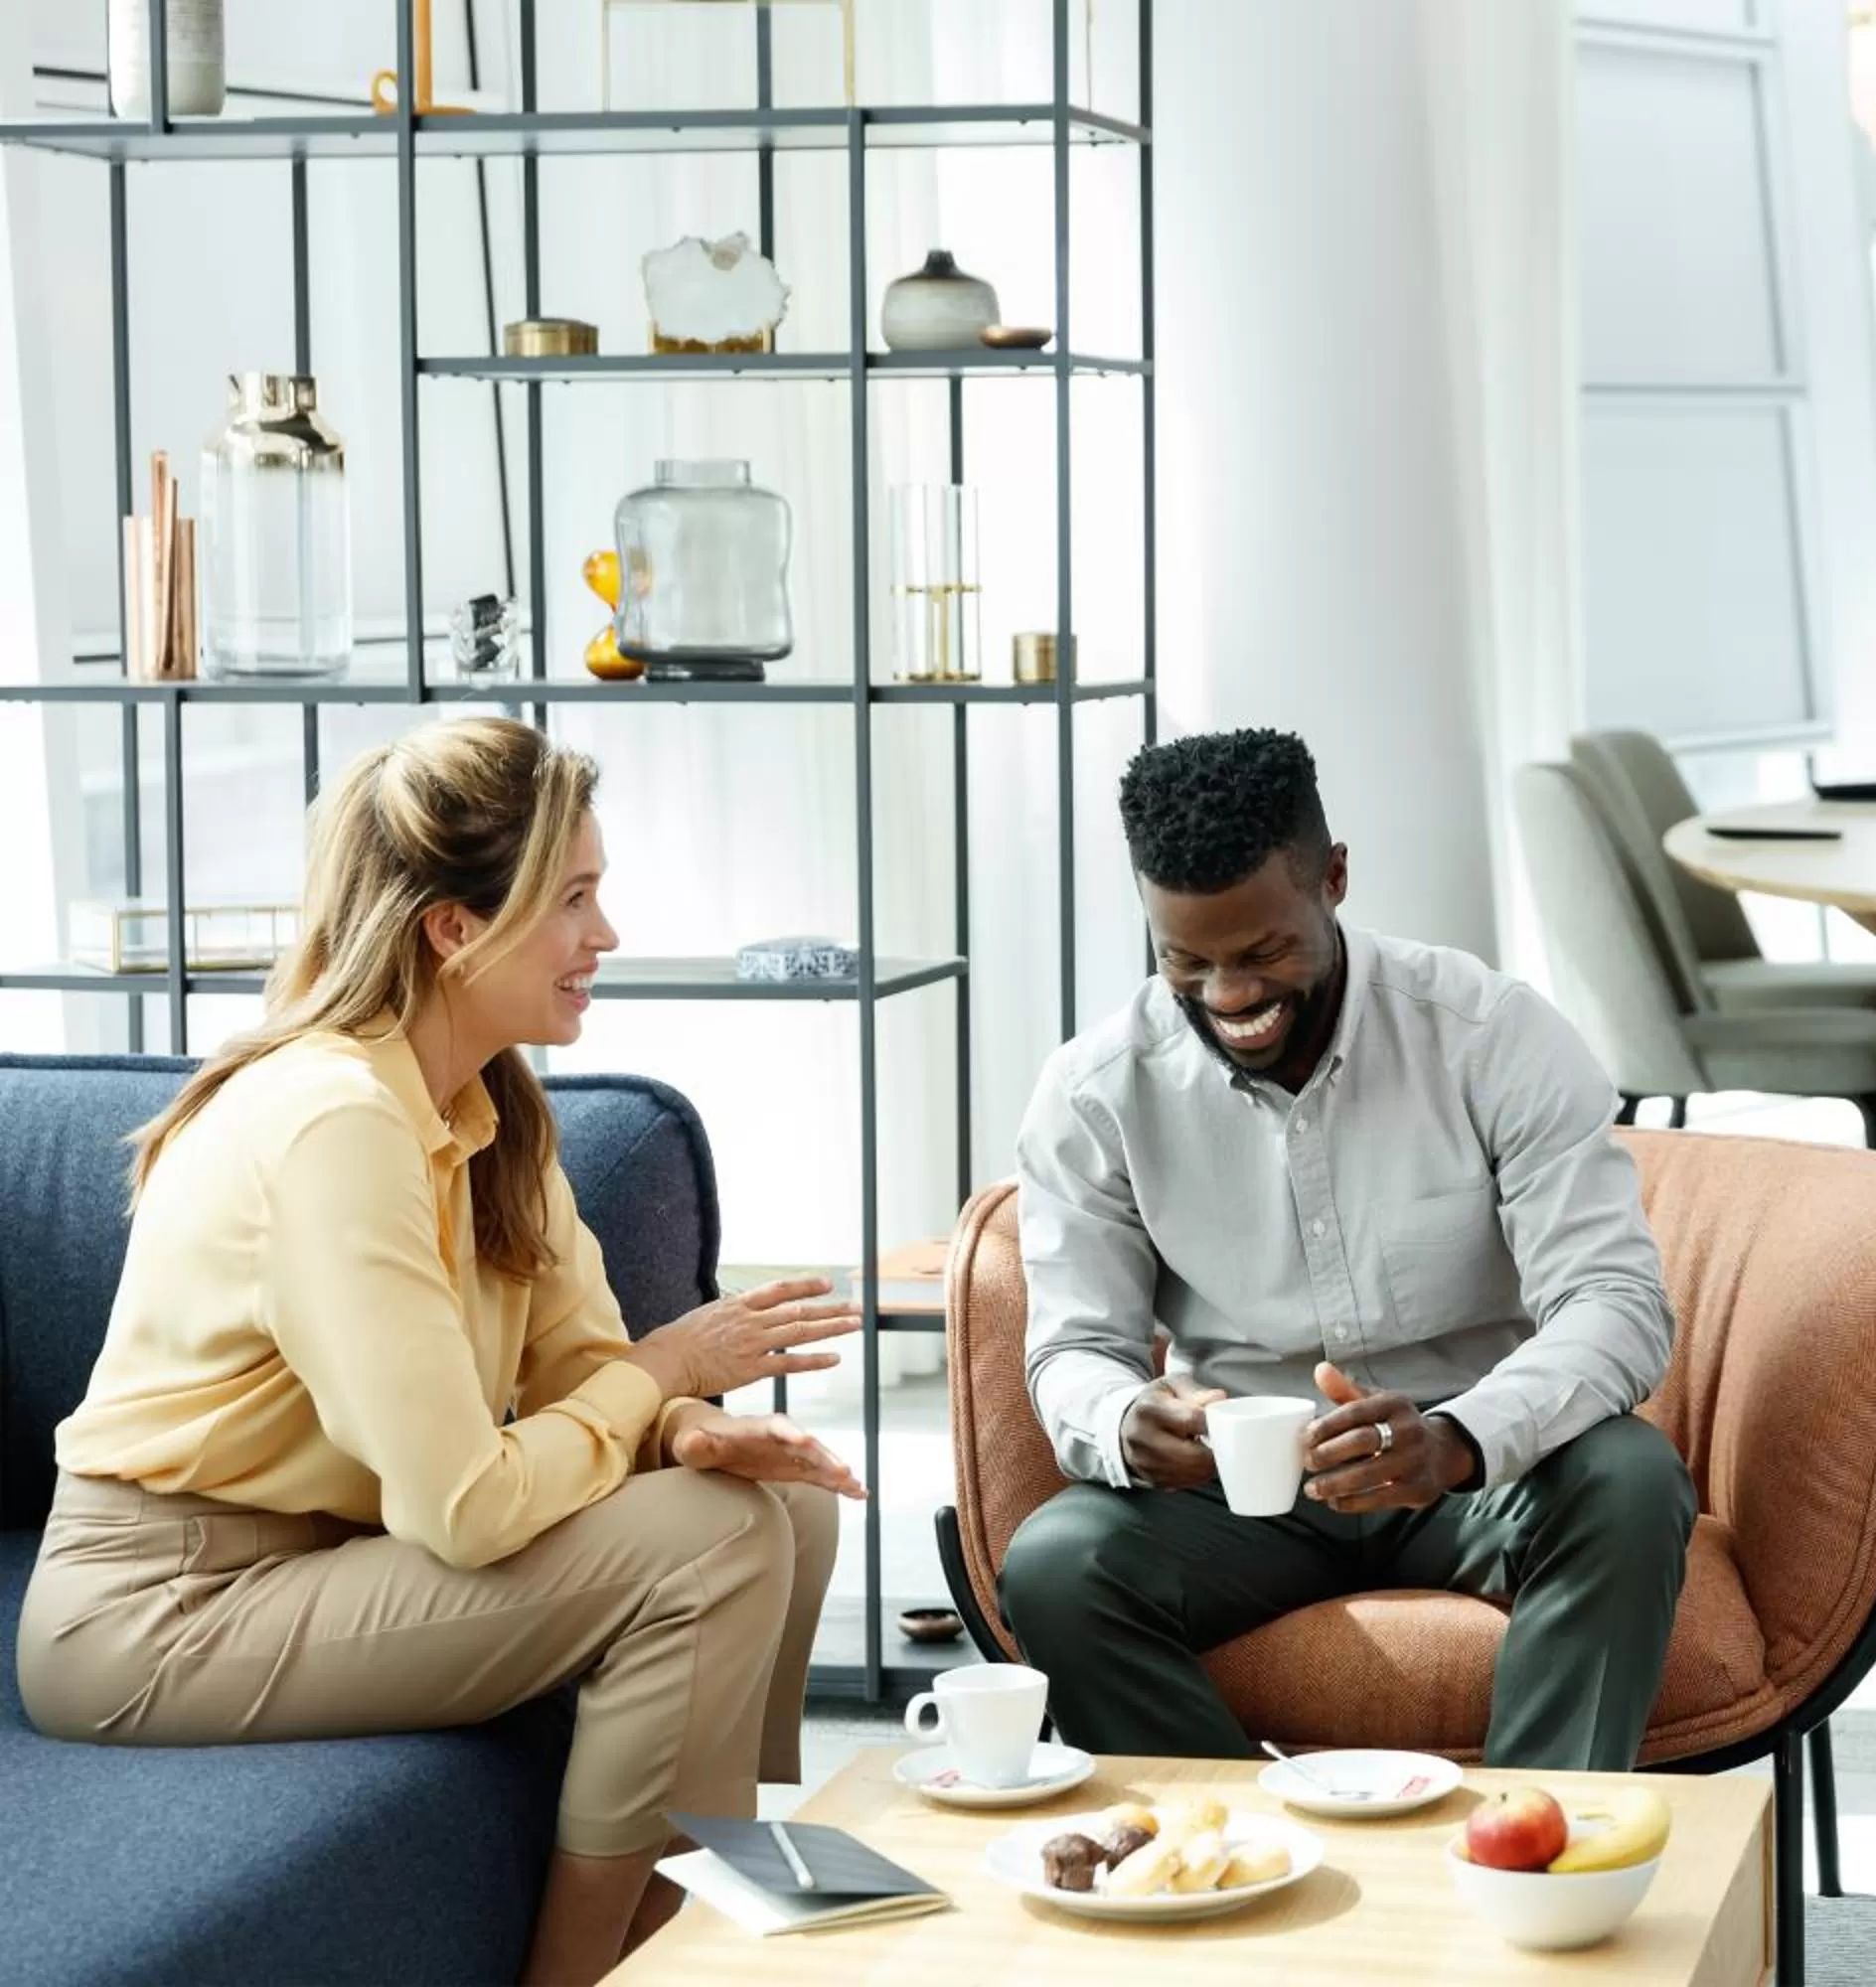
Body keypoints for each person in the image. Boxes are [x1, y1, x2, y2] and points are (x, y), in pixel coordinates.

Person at [16, 717, 864, 1987]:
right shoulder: (334, 1124)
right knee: (709, 1539)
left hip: (323, 1557)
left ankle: (701, 1917)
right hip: (160, 1612)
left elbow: (581, 1357)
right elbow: (464, 1506)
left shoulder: (486, 1106)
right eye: (573, 898)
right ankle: (589, 1970)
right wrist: (667, 1370)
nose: (606, 933)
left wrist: (689, 1422)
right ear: (454, 928)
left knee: (779, 1499)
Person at [1000, 728, 1694, 1772]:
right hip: (1242, 1499)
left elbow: (1615, 1299)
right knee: (1057, 1565)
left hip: (1474, 1470)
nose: (1228, 995)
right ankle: (1241, 1850)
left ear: (1333, 878)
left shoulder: (1491, 1034)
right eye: (1186, 959)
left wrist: (1457, 1439)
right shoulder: (1097, 1091)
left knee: (1629, 1479)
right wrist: (1123, 1420)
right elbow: (1072, 1349)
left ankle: (1533, 1839)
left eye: (1261, 952)